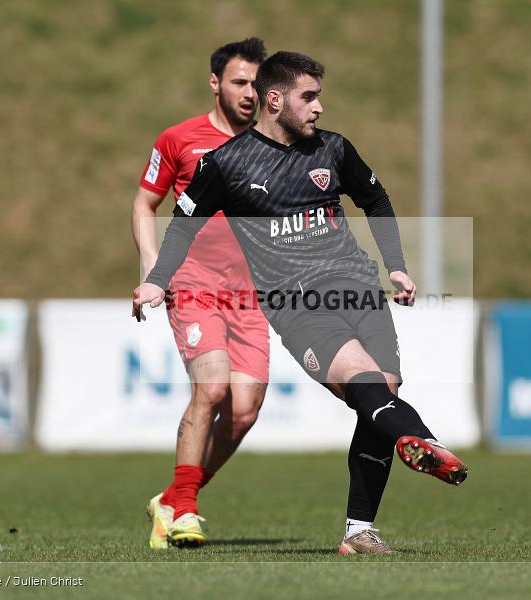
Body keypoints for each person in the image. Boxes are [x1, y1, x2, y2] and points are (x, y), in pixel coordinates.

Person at [133, 51, 469, 555]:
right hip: (298, 306)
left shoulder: (333, 149)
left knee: (382, 396)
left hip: (359, 290)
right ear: (275, 100)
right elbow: (181, 228)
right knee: (372, 391)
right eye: (308, 97)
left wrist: (395, 263)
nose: (319, 107)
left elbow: (375, 200)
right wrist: (157, 279)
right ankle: (423, 440)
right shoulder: (225, 164)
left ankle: (359, 532)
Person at [130, 38, 269, 550]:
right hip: (192, 282)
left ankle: (169, 499)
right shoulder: (179, 139)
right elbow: (146, 204)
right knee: (210, 389)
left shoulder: (277, 146)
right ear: (216, 84)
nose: (250, 93)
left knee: (244, 411)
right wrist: (152, 267)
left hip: (249, 293)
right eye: (239, 82)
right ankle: (186, 509)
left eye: (258, 83)